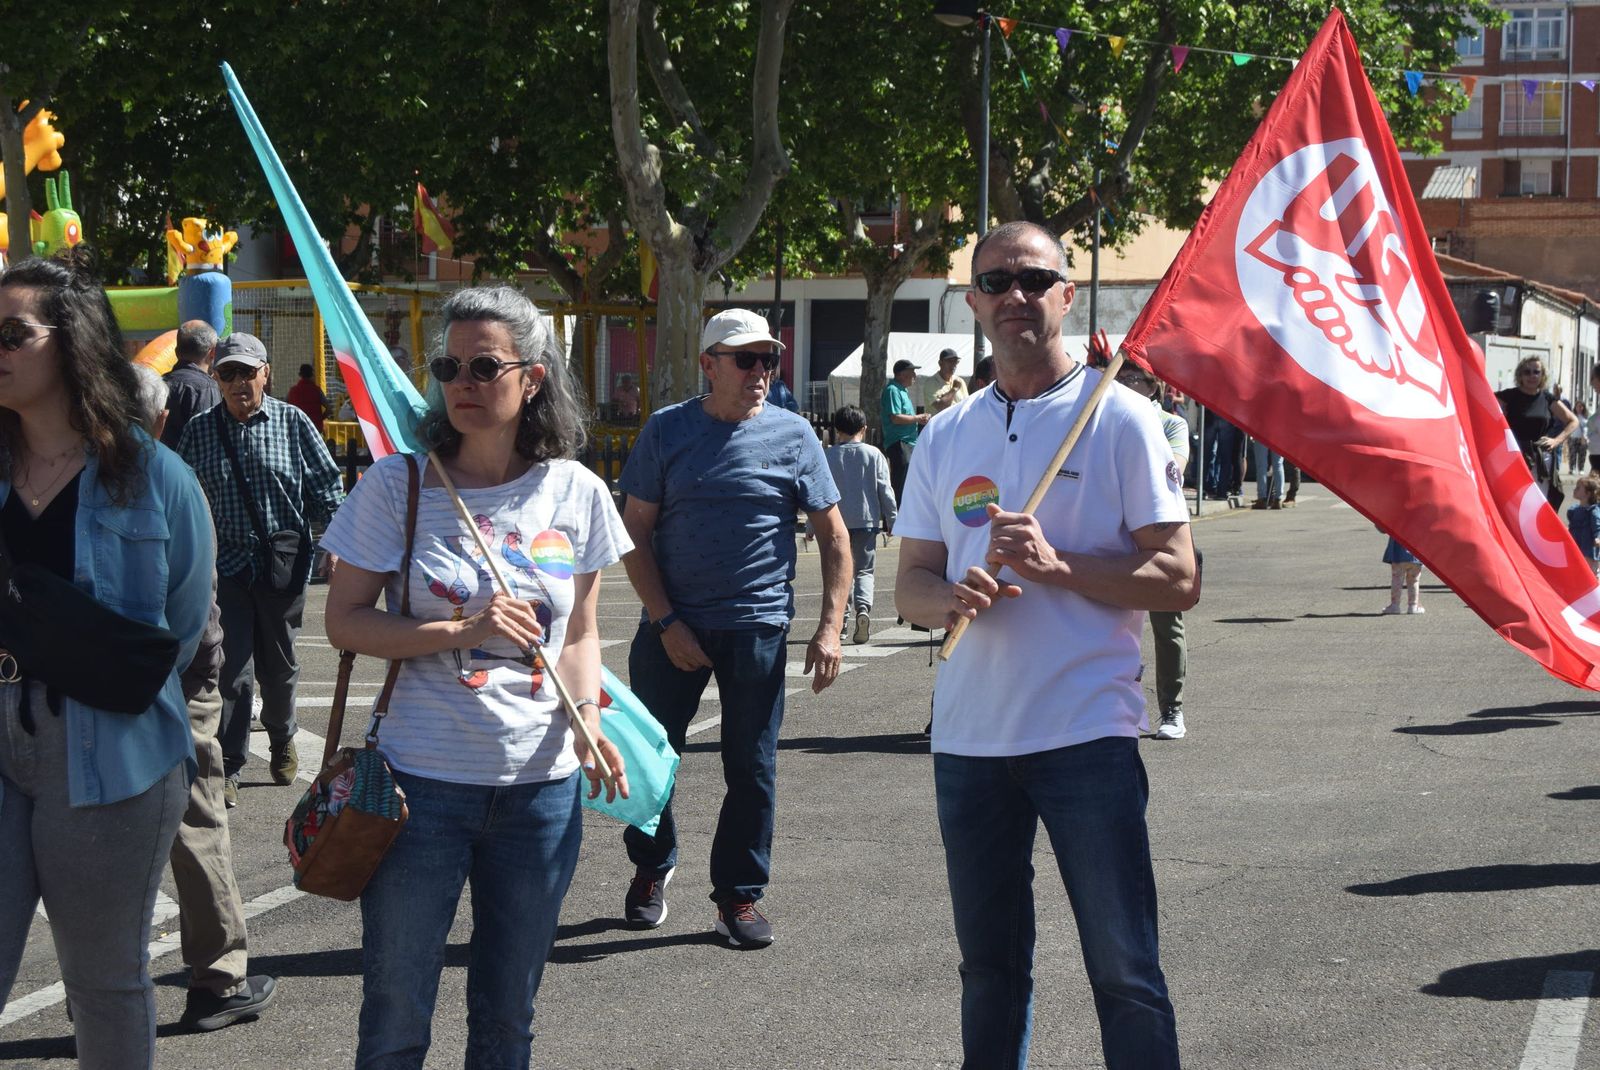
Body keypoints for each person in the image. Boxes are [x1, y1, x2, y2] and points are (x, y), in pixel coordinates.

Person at [894, 221, 1196, 1069]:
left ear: (1068, 294)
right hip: (968, 743)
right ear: (972, 304)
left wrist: (1060, 567)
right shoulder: (947, 435)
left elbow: (1178, 577)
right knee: (990, 971)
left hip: (1084, 738)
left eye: (1034, 279)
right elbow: (911, 584)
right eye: (995, 283)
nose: (1015, 296)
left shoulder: (1122, 418)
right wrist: (950, 597)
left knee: (1126, 972)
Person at [322, 285, 630, 1066]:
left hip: (540, 790)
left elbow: (582, 632)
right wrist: (465, 629)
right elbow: (346, 620)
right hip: (420, 786)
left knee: (507, 1013)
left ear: (533, 378)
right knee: (395, 1012)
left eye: (484, 365)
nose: (461, 380)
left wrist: (588, 719)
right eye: (448, 365)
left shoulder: (577, 491)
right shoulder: (398, 486)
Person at [0, 256, 215, 1068]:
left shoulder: (153, 476)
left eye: (13, 334)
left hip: (109, 752)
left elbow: (185, 622)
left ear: (72, 344)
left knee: (102, 980)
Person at [617, 306, 849, 948]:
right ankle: (650, 866)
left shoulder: (795, 435)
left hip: (756, 625)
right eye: (745, 359)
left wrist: (829, 628)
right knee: (650, 758)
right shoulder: (667, 431)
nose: (760, 371)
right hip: (672, 625)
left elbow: (834, 536)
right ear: (707, 365)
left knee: (751, 766)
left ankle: (739, 897)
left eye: (768, 359)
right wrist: (666, 620)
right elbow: (632, 535)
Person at [132, 365, 275, 1031]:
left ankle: (104, 983)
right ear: (161, 420)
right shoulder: (166, 473)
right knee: (194, 826)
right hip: (171, 681)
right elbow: (192, 606)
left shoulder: (64, 473)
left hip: (100, 682)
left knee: (102, 834)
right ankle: (218, 978)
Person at [177, 332, 344, 807]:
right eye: (227, 373)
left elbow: (328, 489)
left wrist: (337, 544)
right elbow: (182, 497)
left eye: (246, 372)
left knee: (281, 667)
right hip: (225, 567)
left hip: (282, 567)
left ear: (265, 374)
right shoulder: (201, 430)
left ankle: (282, 735)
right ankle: (230, 764)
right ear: (216, 378)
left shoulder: (292, 424)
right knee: (231, 671)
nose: (237, 383)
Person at [1116, 362, 1192, 740]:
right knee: (1110, 626)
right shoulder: (1106, 421)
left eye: (1133, 379)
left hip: (1162, 537)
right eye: (1121, 379)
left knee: (1166, 625)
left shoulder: (1171, 424)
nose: (1125, 384)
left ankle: (1172, 710)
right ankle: (1113, 707)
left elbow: (1173, 471)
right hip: (1114, 536)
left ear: (1153, 387)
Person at [821, 404, 896, 644]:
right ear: (864, 429)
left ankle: (840, 623)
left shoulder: (828, 455)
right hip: (867, 520)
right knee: (864, 570)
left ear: (836, 429)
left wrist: (813, 527)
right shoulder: (874, 454)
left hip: (836, 523)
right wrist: (892, 519)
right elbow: (885, 489)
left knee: (838, 572)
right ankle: (863, 609)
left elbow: (818, 493)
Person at [1496, 356, 1578, 508]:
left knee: (1539, 503)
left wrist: (1556, 441)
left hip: (1541, 459)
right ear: (1520, 375)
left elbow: (1573, 421)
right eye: (1527, 372)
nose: (1532, 376)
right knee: (1515, 501)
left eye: (1536, 372)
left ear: (1542, 375)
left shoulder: (1547, 398)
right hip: (1515, 456)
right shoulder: (1508, 396)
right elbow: (1484, 410)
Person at [160, 318, 220, 449]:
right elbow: (208, 440)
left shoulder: (159, 383)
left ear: (176, 352)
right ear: (213, 352)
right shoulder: (206, 388)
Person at [881, 358, 928, 502]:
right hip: (899, 443)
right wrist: (918, 418)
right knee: (900, 482)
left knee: (907, 481)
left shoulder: (902, 390)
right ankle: (895, 516)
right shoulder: (892, 390)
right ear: (901, 374)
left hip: (908, 442)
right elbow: (895, 418)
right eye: (912, 372)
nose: (915, 375)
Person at [1380, 532, 1425, 614]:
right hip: (1416, 553)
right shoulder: (1420, 519)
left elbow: (1382, 528)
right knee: (1414, 581)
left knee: (1397, 580)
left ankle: (1395, 606)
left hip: (1398, 554)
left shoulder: (1395, 518)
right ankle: (1413, 606)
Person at [1568, 474, 1600, 578]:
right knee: (1577, 574)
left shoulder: (1593, 511)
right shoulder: (1574, 510)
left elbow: (1597, 527)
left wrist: (1598, 538)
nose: (1575, 490)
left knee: (1589, 575)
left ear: (1588, 494)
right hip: (1576, 548)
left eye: (1578, 488)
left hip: (1588, 551)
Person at [286, 362, 330, 433]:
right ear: (312, 375)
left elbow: (285, 407)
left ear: (300, 375)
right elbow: (329, 408)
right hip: (315, 427)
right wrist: (320, 418)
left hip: (297, 427)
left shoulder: (293, 391)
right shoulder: (317, 390)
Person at [926, 347, 968, 415]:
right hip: (940, 425)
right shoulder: (931, 383)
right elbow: (941, 407)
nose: (953, 365)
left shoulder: (960, 381)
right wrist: (954, 389)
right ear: (940, 363)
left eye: (955, 361)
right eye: (950, 361)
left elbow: (966, 405)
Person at [1251, 436, 1285, 509]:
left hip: (1261, 431)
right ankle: (1278, 499)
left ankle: (1262, 498)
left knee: (1261, 465)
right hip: (1279, 432)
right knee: (1278, 464)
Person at [1569, 400, 1590, 475]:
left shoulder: (1586, 416)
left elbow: (1589, 427)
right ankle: (1572, 468)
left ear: (1583, 407)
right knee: (1572, 454)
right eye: (1578, 406)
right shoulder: (1572, 415)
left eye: (1581, 406)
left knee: (1582, 454)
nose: (1579, 408)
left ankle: (1581, 469)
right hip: (1573, 437)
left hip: (1583, 438)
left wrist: (1586, 437)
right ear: (1575, 407)